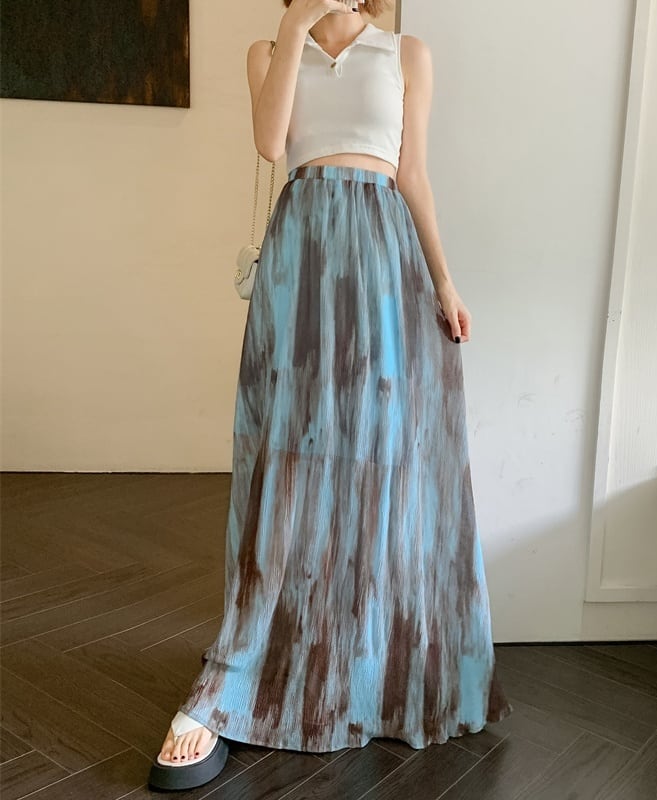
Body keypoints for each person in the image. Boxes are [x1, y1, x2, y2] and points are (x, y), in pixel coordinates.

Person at [148, 0, 512, 790]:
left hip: (382, 260)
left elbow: (413, 176)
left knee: (379, 463)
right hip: (302, 258)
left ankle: (368, 667)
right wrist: (295, 28)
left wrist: (445, 281)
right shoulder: (268, 48)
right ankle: (252, 664)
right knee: (289, 461)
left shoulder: (406, 52)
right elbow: (270, 142)